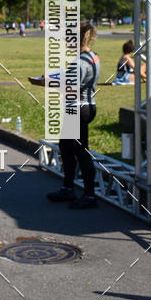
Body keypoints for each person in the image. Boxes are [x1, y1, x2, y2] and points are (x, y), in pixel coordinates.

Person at [30, 21, 100, 209]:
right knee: (66, 147)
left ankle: (89, 195)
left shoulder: (79, 62)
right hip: (86, 106)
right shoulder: (92, 57)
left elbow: (69, 87)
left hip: (76, 108)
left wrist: (45, 82)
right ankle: (68, 188)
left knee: (80, 151)